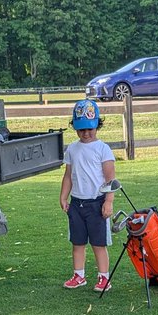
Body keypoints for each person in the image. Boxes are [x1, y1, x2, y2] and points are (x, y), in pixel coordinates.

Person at [59, 99, 116, 293]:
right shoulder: (72, 149)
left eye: (89, 129)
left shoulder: (103, 149)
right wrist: (63, 197)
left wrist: (108, 201)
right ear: (75, 127)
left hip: (97, 204)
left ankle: (104, 278)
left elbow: (110, 180)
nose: (85, 133)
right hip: (77, 204)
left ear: (97, 125)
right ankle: (79, 275)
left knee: (98, 244)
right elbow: (68, 175)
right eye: (81, 129)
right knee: (78, 242)